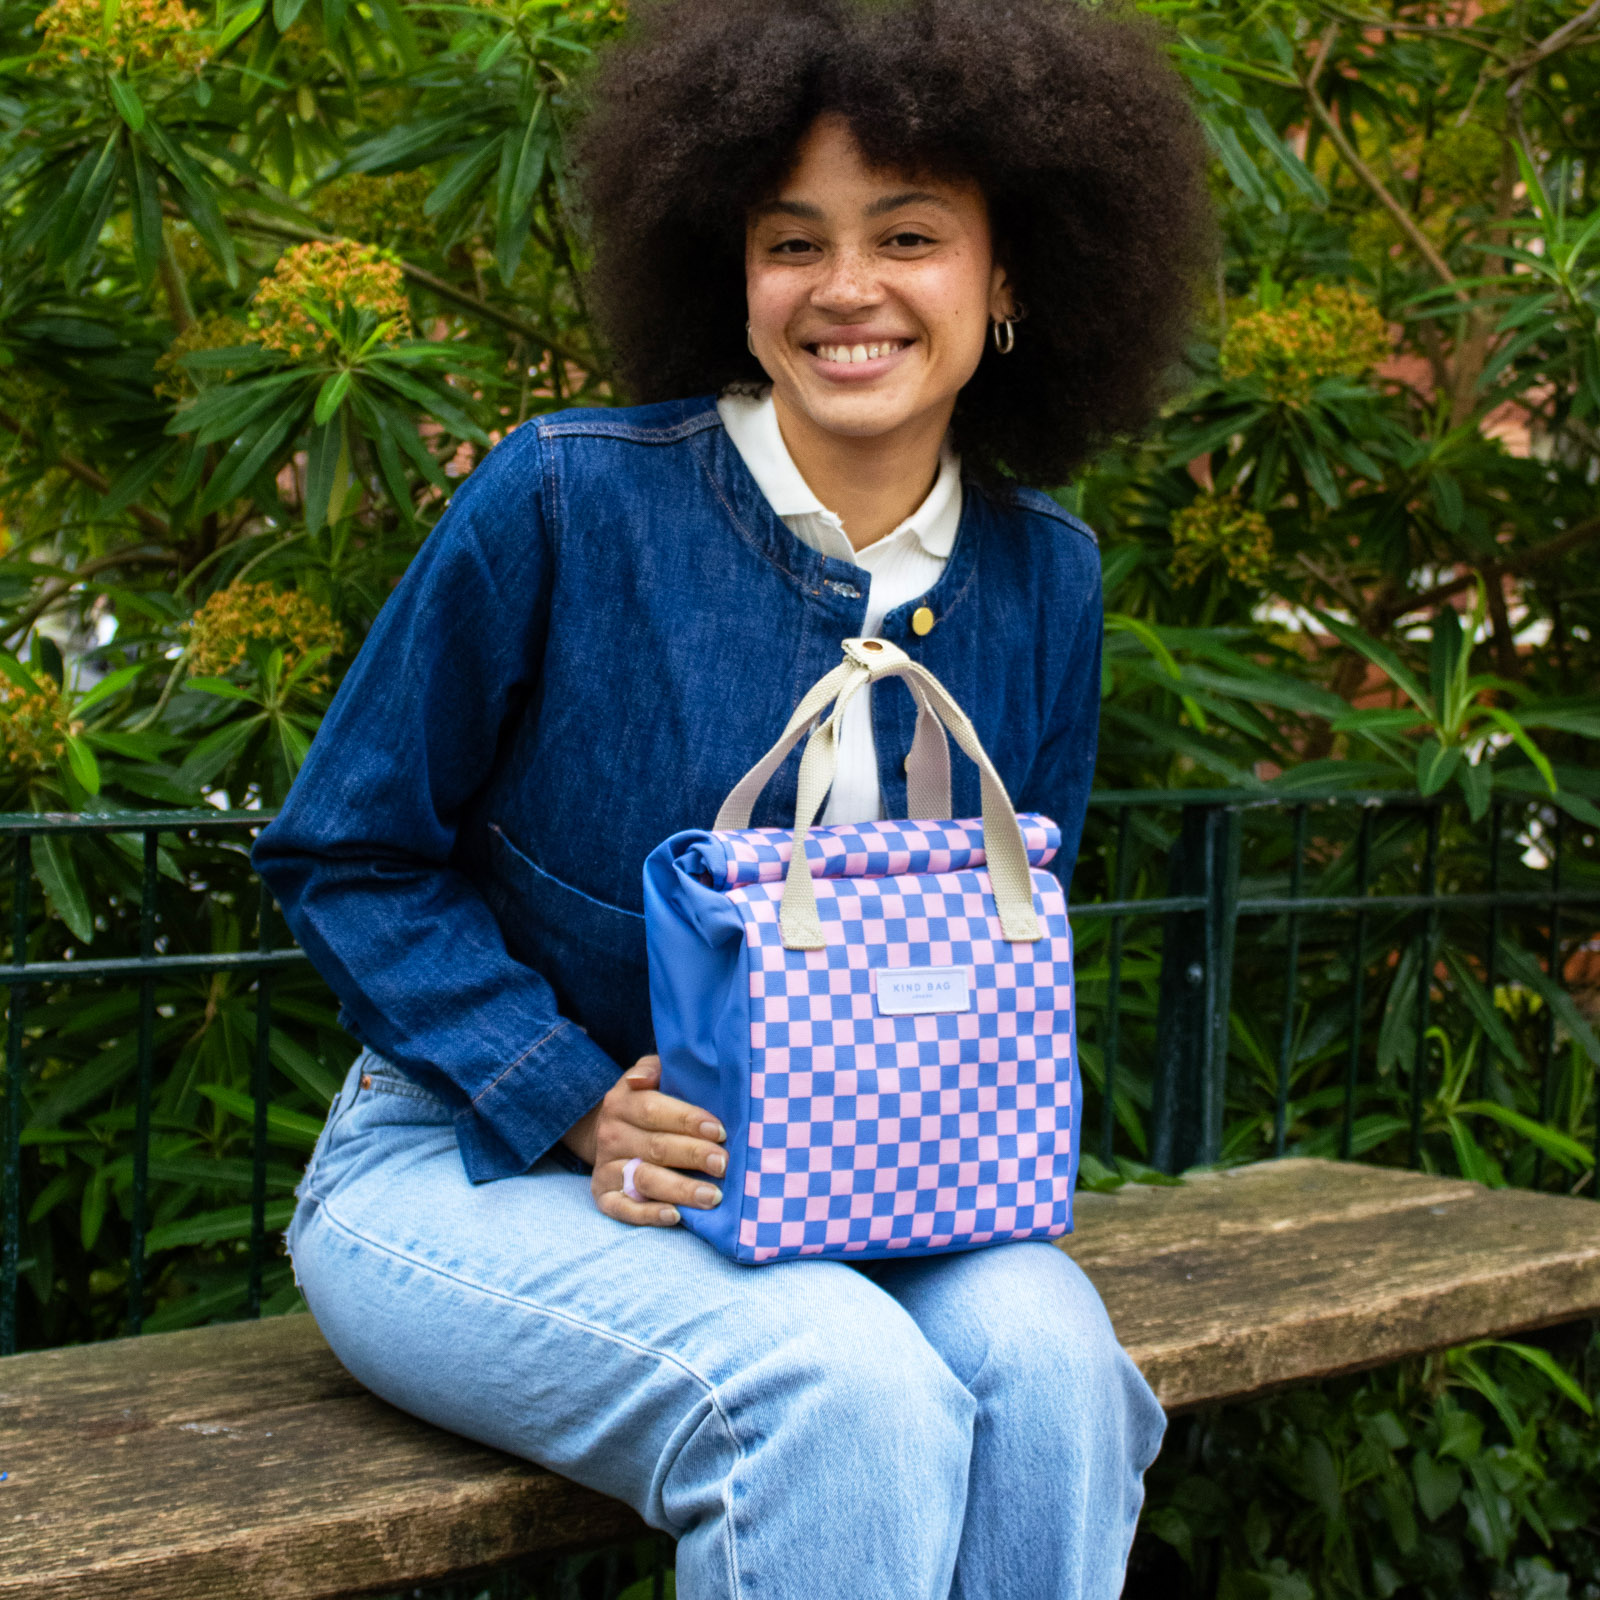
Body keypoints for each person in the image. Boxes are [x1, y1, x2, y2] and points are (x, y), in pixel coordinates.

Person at [255, 1, 1213, 1594]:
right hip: (462, 1167)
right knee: (837, 1389)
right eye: (792, 242)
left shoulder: (1048, 580)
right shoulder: (567, 497)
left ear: (1012, 275)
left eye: (908, 235)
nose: (846, 290)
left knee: (1056, 1372)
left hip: (874, 1185)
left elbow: (1013, 920)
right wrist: (570, 1097)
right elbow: (345, 851)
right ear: (732, 268)